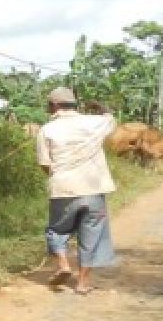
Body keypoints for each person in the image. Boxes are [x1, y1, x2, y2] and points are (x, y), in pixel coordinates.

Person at [35, 87, 119, 295]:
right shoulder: (95, 122)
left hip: (63, 189)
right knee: (92, 235)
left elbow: (45, 164)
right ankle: (82, 283)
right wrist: (100, 108)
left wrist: (56, 177)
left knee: (57, 230)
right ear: (74, 104)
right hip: (94, 190)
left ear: (54, 105)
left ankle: (63, 265)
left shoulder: (46, 130)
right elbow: (111, 120)